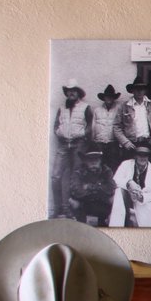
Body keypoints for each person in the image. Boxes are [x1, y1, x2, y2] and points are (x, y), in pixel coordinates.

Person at [51, 79, 92, 218]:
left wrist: (82, 135)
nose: (71, 93)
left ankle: (70, 209)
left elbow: (90, 126)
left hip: (78, 144)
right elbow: (56, 125)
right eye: (68, 91)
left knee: (75, 176)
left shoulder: (85, 107)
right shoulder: (61, 108)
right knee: (56, 176)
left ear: (78, 93)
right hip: (63, 145)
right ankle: (57, 208)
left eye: (74, 91)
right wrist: (59, 133)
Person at [109, 143, 151, 227]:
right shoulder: (126, 164)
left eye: (145, 155)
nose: (142, 158)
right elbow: (115, 180)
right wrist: (128, 183)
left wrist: (142, 197)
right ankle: (117, 226)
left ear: (148, 157)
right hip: (126, 198)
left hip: (143, 201)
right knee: (118, 192)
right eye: (140, 155)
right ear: (135, 156)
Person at [67, 148, 117, 226]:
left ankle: (107, 221)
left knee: (114, 199)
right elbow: (77, 191)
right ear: (85, 161)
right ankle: (78, 221)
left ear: (100, 161)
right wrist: (100, 187)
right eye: (90, 160)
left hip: (102, 202)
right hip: (84, 203)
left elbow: (111, 189)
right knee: (73, 202)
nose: (93, 162)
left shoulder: (106, 171)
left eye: (96, 159)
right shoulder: (78, 171)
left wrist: (88, 187)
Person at [114, 77, 151, 159]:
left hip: (148, 143)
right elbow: (117, 126)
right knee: (129, 165)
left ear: (145, 90)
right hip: (131, 144)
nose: (139, 91)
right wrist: (125, 142)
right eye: (137, 89)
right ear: (133, 91)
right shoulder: (125, 106)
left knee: (147, 165)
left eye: (142, 89)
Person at [90, 84, 123, 171]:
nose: (109, 98)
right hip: (100, 142)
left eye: (111, 97)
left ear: (114, 98)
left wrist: (120, 143)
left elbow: (121, 125)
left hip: (113, 143)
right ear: (104, 98)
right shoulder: (97, 110)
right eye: (107, 96)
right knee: (100, 164)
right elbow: (93, 126)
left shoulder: (119, 109)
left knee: (113, 164)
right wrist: (93, 141)